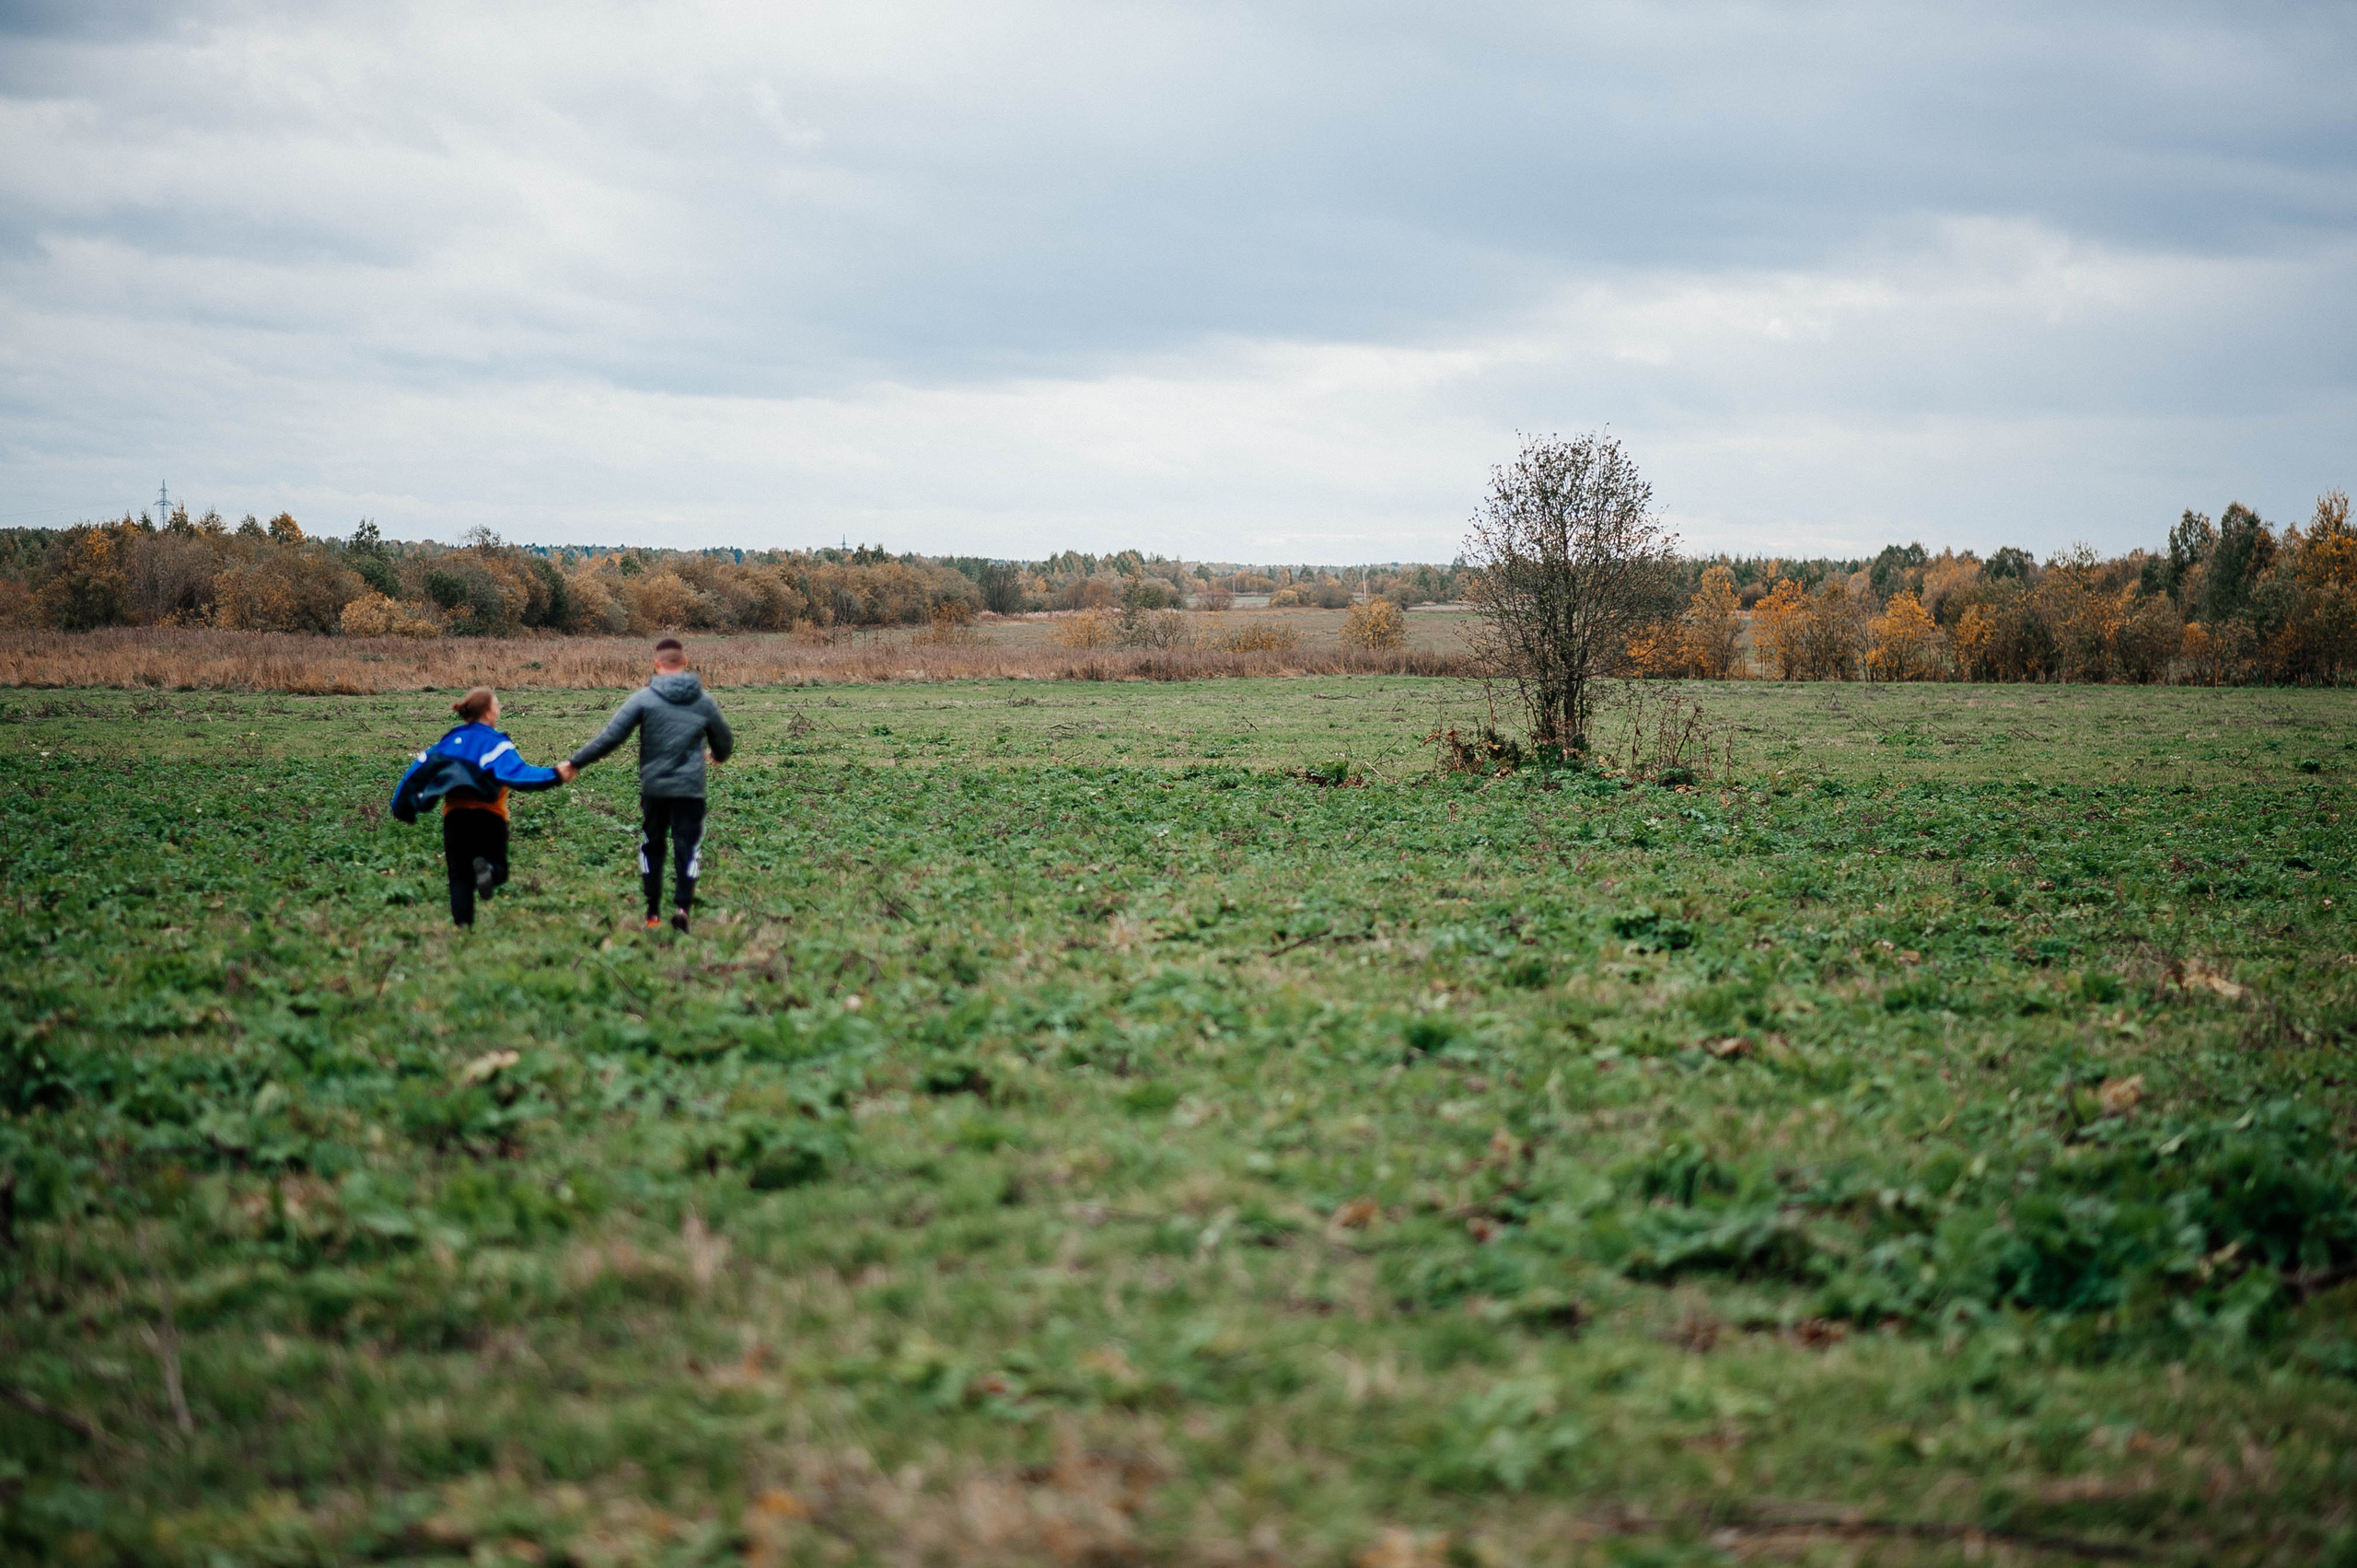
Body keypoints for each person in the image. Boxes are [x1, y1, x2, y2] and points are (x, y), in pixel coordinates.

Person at [562, 637, 734, 933]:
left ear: (657, 664)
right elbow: (725, 742)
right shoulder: (704, 701)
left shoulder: (643, 699)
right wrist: (716, 755)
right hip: (690, 789)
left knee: (651, 846)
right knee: (687, 848)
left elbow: (610, 737)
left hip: (655, 788)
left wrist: (575, 762)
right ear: (685, 662)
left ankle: (652, 913)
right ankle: (682, 908)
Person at [390, 688, 566, 929]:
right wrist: (555, 775)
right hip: (490, 819)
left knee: (459, 877)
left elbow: (416, 772)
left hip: (455, 819)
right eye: (497, 704)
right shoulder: (496, 744)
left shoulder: (449, 742)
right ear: (488, 712)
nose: (500, 709)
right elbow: (519, 774)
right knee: (500, 868)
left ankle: (463, 929)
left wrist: (401, 807)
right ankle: (490, 870)